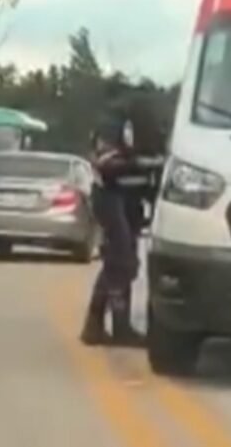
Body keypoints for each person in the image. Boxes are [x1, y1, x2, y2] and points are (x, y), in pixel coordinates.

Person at [79, 113, 146, 347]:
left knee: (119, 264)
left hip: (123, 202)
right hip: (109, 200)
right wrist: (142, 163)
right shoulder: (111, 127)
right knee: (122, 263)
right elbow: (106, 164)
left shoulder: (133, 129)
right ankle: (100, 324)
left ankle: (114, 326)